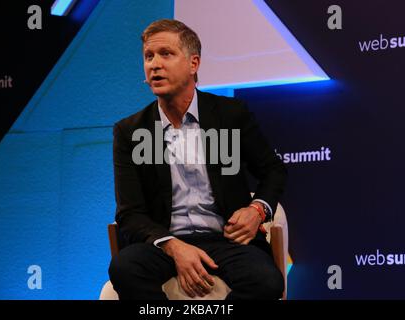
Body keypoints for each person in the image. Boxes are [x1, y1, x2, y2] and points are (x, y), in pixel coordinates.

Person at [109, 19, 287, 300]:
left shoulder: (230, 114)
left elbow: (273, 170)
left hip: (226, 239)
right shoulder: (130, 131)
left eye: (166, 54)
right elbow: (129, 214)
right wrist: (175, 247)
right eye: (148, 56)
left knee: (266, 281)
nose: (154, 64)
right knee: (124, 268)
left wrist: (257, 211)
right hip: (163, 245)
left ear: (193, 64)